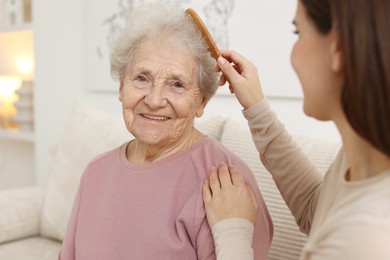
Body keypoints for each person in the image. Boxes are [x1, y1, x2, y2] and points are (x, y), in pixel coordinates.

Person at [58, 3, 273, 260]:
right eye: (141, 78)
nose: (155, 99)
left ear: (201, 102)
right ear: (121, 88)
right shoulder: (95, 172)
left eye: (177, 84)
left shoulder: (227, 184)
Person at [203, 0, 390, 259]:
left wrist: (233, 230)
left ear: (336, 48)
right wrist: (257, 109)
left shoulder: (365, 239)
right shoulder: (360, 161)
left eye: (298, 32)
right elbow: (317, 211)